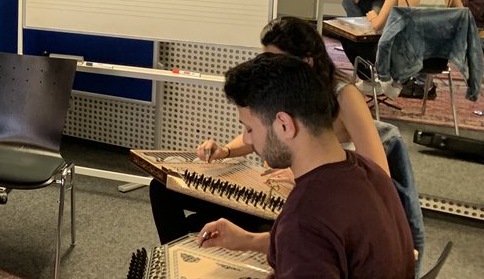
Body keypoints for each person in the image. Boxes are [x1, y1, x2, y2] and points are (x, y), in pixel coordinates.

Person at [176, 53, 414, 279]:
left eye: (250, 129)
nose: (250, 142)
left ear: (285, 125)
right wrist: (251, 241)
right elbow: (333, 252)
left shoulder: (306, 216)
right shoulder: (367, 172)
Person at [150, 17, 388, 244]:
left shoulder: (344, 95)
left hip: (297, 199)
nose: (268, 69)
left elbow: (378, 172)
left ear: (307, 62)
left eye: (275, 61)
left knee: (202, 224)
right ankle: (179, 264)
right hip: (266, 188)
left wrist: (303, 176)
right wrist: (225, 151)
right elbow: (259, 132)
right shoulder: (282, 88)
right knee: (163, 189)